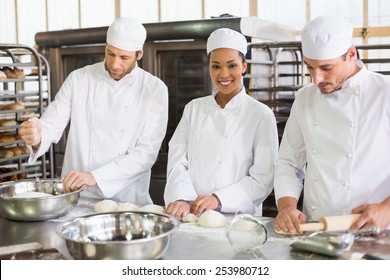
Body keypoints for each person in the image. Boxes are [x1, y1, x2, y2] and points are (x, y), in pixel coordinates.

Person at [19, 17, 169, 204]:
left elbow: (146, 154)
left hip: (127, 203)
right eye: (110, 53)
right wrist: (37, 135)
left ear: (139, 54)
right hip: (76, 197)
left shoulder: (154, 89)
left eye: (124, 58)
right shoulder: (79, 79)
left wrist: (95, 176)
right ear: (105, 47)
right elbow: (51, 124)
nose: (115, 64)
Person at [274, 15, 390, 234]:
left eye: (326, 68)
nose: (316, 79)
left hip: (378, 231)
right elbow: (289, 163)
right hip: (318, 230)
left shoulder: (385, 93)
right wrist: (287, 207)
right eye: (309, 67)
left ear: (351, 54)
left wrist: (387, 210)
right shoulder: (305, 98)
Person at [164, 28, 279, 220]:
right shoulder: (194, 108)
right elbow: (177, 161)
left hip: (237, 219)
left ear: (244, 66)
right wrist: (181, 198)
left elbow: (263, 178)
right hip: (192, 214)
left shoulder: (260, 114)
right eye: (216, 66)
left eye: (232, 65)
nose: (223, 74)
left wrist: (219, 199)